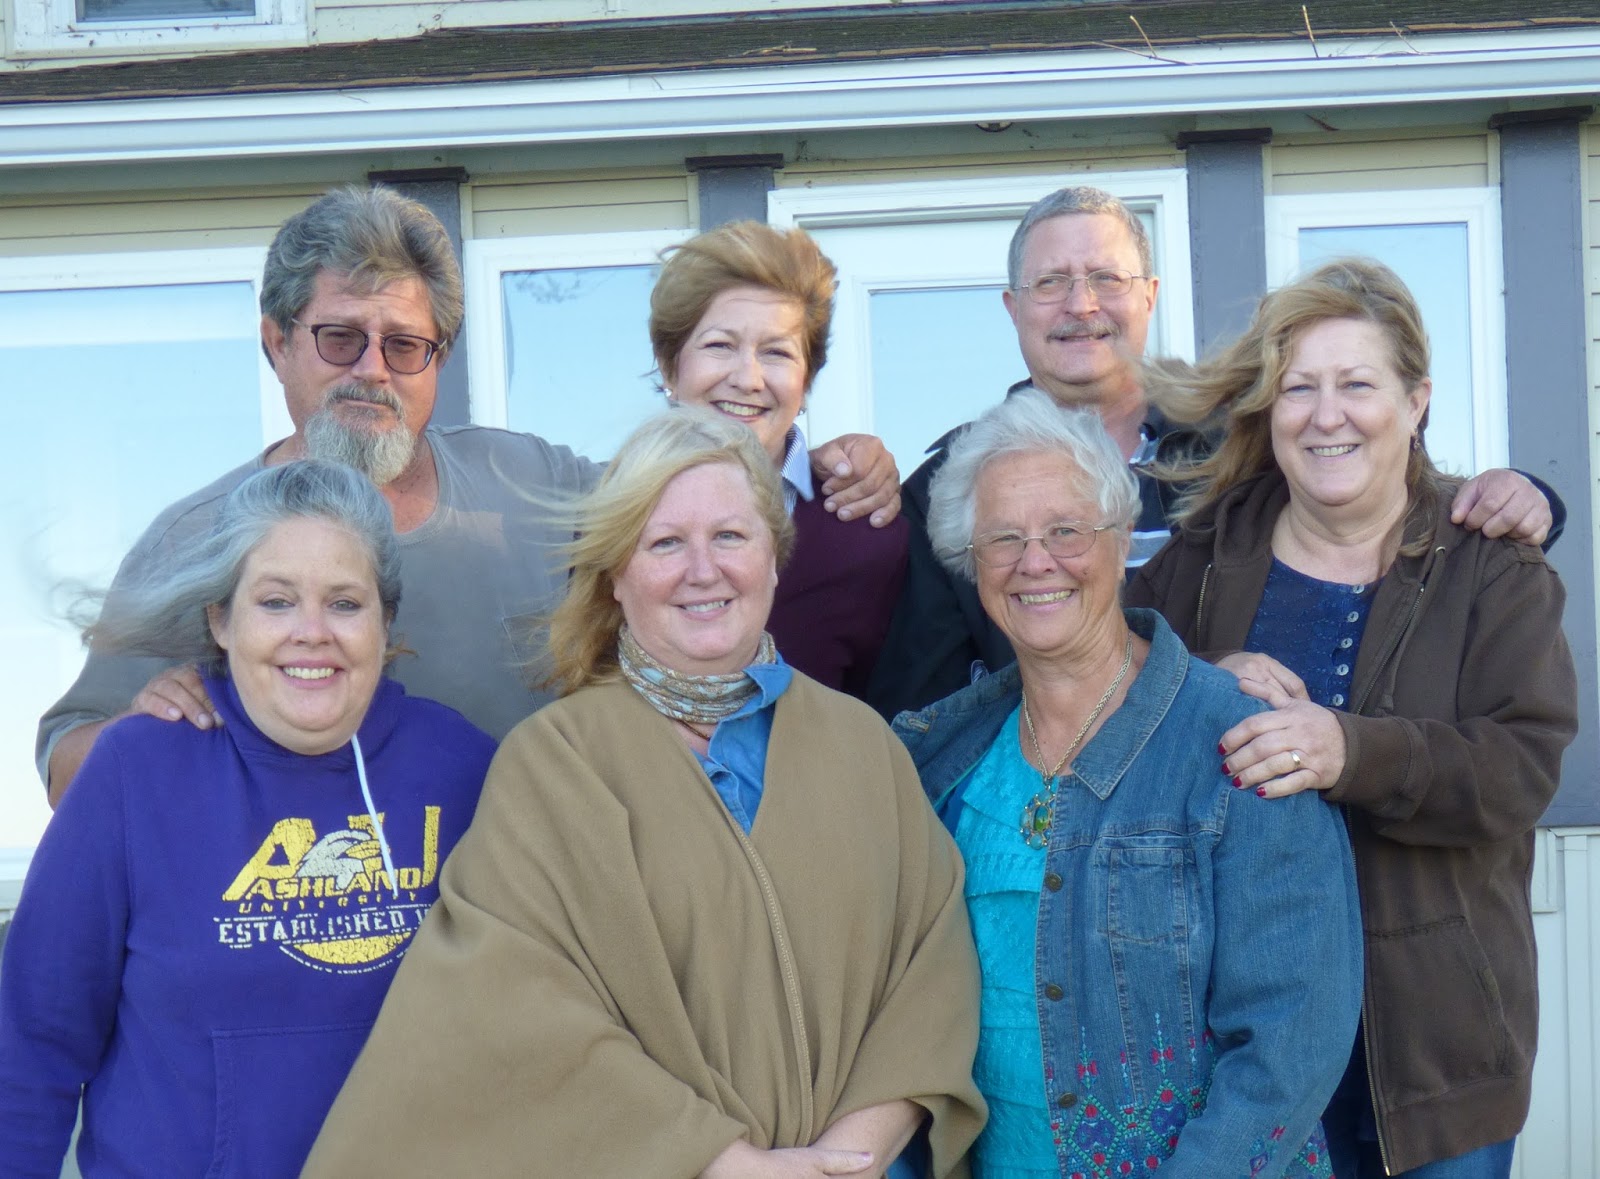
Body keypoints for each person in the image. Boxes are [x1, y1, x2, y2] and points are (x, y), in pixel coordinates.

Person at [37, 185, 902, 803]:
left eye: (404, 345)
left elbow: (690, 514)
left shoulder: (538, 484)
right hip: (313, 950)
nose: (372, 370)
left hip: (543, 932)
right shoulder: (197, 538)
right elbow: (66, 760)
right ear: (276, 342)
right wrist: (147, 731)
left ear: (439, 359)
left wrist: (825, 461)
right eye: (340, 338)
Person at [303, 408, 984, 1179]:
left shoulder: (864, 746)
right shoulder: (556, 764)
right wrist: (729, 1163)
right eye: (665, 543)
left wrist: (850, 1157)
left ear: (773, 558)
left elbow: (931, 972)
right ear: (616, 576)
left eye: (731, 536)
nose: (703, 569)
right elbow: (515, 1011)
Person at [1126, 259, 1579, 1177]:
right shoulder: (1207, 553)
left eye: (1357, 385)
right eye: (1299, 388)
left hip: (1437, 1052)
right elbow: (1108, 686)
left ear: (1416, 402)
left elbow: (1518, 769)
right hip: (1242, 1050)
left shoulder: (1490, 565)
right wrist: (1196, 679)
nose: (1325, 415)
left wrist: (1350, 751)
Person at [867, 185, 1560, 720]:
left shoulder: (1246, 445)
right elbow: (921, 699)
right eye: (1051, 283)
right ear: (1012, 307)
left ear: (1149, 297)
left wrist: (1526, 495)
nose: (1081, 304)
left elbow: (1384, 486)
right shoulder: (954, 483)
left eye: (1107, 278)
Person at [893, 389, 1363, 1177]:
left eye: (1066, 530)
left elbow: (1292, 1043)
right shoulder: (940, 757)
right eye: (1003, 537)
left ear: (1119, 544)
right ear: (971, 563)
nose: (1035, 561)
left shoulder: (1237, 744)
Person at [0, 460, 497, 1177]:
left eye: (345, 603)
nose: (311, 632)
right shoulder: (135, 771)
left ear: (385, 623)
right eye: (275, 601)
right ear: (221, 620)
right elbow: (32, 1041)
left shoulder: (462, 768)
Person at [651, 220, 908, 694]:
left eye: (776, 353)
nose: (748, 379)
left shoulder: (869, 537)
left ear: (806, 383)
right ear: (670, 367)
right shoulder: (608, 527)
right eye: (720, 346)